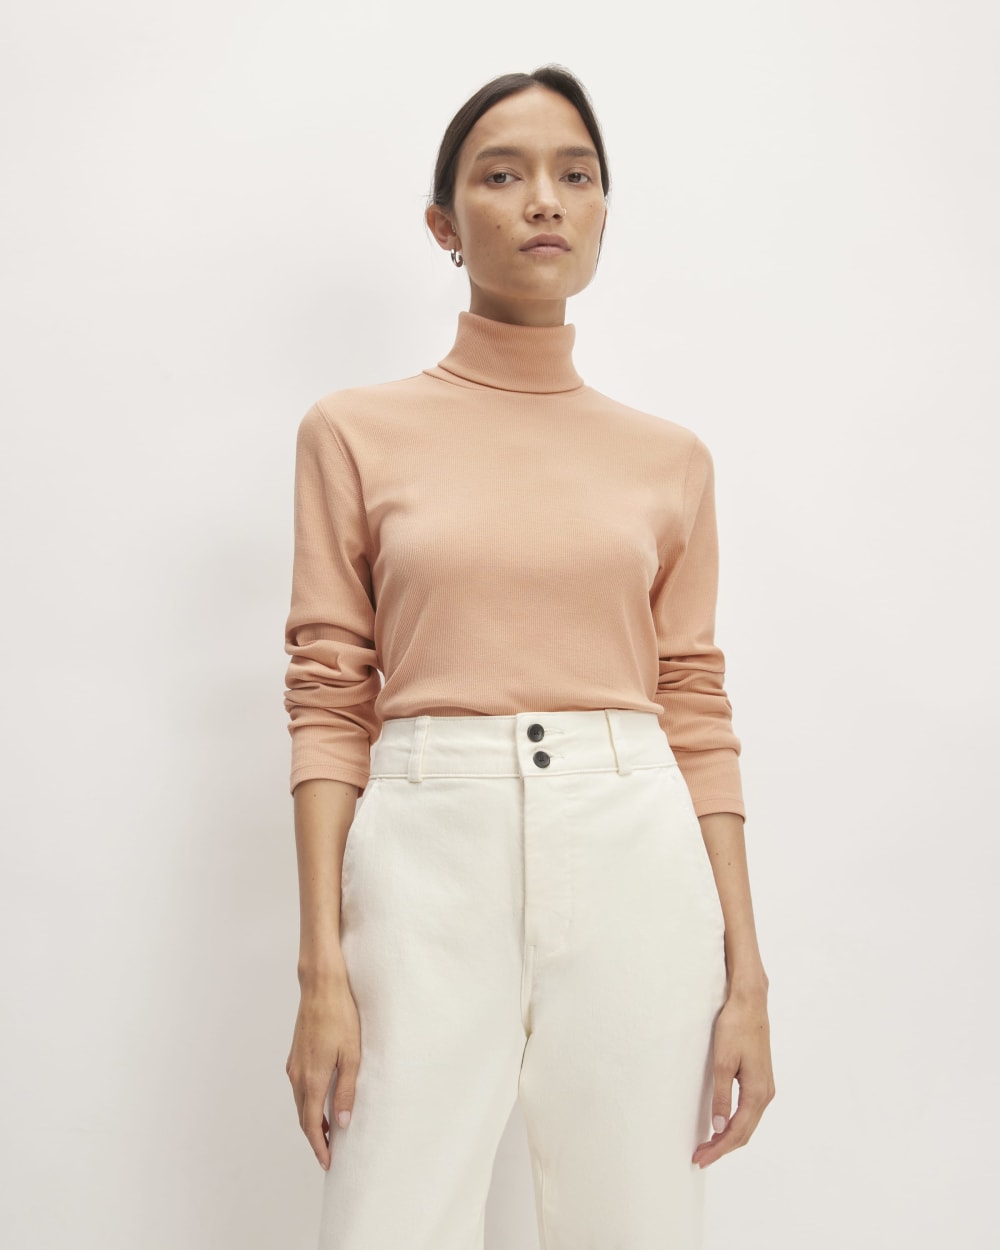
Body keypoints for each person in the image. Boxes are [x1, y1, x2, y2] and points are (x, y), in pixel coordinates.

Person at [282, 64, 774, 1250]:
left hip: (632, 839)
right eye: (501, 175)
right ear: (444, 225)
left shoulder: (669, 459)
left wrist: (745, 974)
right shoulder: (353, 431)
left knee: (635, 1222)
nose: (544, 199)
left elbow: (693, 704)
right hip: (426, 845)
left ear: (602, 209)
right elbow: (329, 697)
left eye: (575, 174)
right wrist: (321, 969)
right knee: (387, 1217)